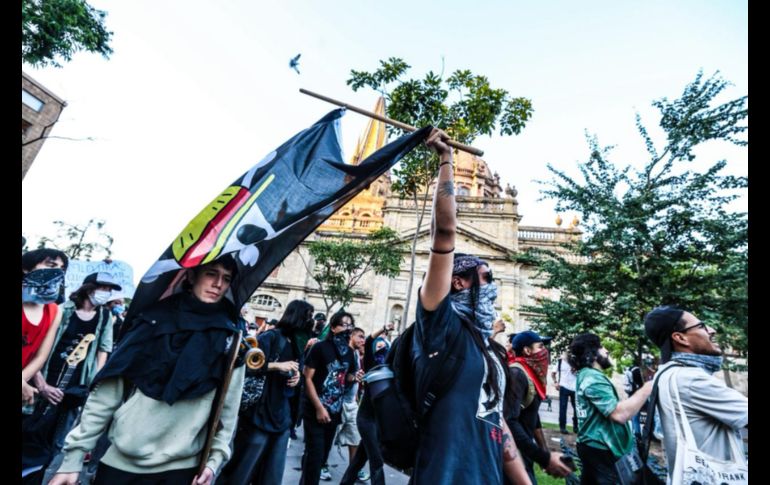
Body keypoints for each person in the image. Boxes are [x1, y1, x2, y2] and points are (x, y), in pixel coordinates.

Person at [48, 258, 245, 485]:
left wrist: (214, 460)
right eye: (211, 274)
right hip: (121, 462)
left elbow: (228, 410)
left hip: (183, 468)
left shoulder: (232, 337)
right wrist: (73, 458)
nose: (219, 284)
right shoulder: (152, 320)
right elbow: (106, 395)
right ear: (191, 276)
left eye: (227, 278)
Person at [409, 129, 530, 484]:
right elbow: (445, 235)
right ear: (458, 282)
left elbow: (495, 417)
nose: (492, 288)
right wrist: (446, 161)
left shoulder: (488, 349)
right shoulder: (440, 322)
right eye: (486, 277)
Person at [644, 306, 748, 483]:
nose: (712, 331)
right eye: (702, 326)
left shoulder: (666, 373)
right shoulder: (691, 379)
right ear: (680, 337)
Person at [221, 300, 309, 485]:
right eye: (307, 316)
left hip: (282, 412)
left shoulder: (296, 342)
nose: (310, 321)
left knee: (273, 471)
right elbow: (247, 365)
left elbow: (297, 369)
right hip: (259, 411)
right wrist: (276, 365)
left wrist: (297, 378)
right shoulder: (271, 336)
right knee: (244, 466)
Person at [569, 333, 653, 485]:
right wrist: (649, 387)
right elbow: (619, 414)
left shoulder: (589, 375)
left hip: (596, 449)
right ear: (592, 354)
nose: (606, 351)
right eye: (601, 347)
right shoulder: (592, 378)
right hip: (601, 452)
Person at [300, 310, 361, 485]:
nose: (347, 328)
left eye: (350, 325)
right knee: (315, 456)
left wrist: (354, 377)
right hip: (315, 410)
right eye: (343, 324)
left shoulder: (349, 353)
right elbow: (308, 378)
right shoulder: (320, 347)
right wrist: (319, 408)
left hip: (334, 413)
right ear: (333, 328)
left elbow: (345, 378)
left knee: (321, 457)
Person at [507, 331, 572, 483]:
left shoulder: (531, 374)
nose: (545, 352)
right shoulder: (517, 374)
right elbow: (509, 420)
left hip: (525, 452)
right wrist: (543, 457)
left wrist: (544, 448)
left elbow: (532, 415)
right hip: (515, 454)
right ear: (527, 351)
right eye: (540, 346)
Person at [339, 323, 394, 485]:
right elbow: (370, 341)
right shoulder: (371, 366)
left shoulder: (390, 370)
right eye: (379, 346)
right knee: (376, 461)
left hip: (376, 421)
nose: (381, 348)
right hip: (366, 419)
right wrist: (384, 328)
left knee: (358, 462)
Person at [22, 248, 69, 406]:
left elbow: (41, 356)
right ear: (27, 268)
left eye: (61, 269)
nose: (57, 272)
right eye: (51, 265)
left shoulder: (55, 311)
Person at [334, 327, 368, 482]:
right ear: (352, 336)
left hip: (351, 403)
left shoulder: (356, 354)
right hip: (338, 402)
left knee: (355, 437)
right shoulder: (345, 352)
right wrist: (354, 377)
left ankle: (354, 469)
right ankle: (321, 465)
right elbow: (344, 376)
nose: (363, 340)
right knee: (329, 437)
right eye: (360, 336)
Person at [552, 351, 578, 434]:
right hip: (563, 387)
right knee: (563, 408)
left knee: (576, 408)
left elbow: (582, 373)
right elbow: (553, 373)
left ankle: (576, 426)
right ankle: (562, 427)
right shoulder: (559, 362)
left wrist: (576, 369)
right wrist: (556, 382)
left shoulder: (576, 362)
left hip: (575, 388)